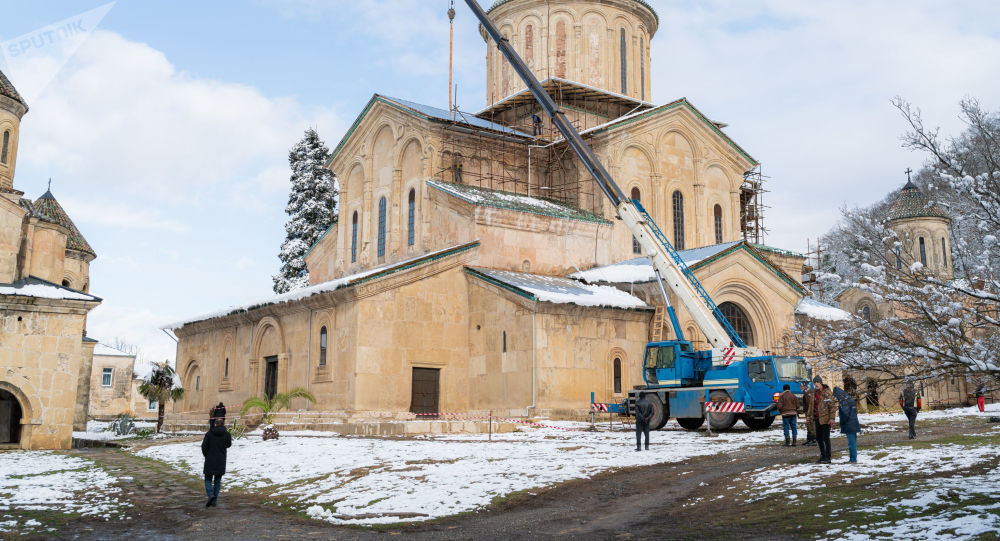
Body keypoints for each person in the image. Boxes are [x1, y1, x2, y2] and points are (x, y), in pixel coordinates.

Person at [201, 419, 232, 507]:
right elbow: (229, 445)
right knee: (218, 481)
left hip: (210, 459)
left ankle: (210, 494)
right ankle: (214, 501)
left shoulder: (209, 434)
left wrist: (206, 455)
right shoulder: (227, 434)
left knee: (208, 479)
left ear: (215, 424)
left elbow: (204, 446)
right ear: (223, 425)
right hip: (221, 460)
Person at [812, 376, 837, 464]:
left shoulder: (827, 392)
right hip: (817, 418)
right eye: (814, 383)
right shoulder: (814, 393)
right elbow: (812, 406)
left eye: (817, 382)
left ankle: (828, 456)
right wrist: (808, 416)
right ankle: (823, 455)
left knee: (826, 438)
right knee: (818, 438)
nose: (815, 384)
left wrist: (832, 418)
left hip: (826, 418)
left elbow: (832, 406)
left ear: (820, 382)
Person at [833, 387, 860, 463]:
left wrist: (842, 422)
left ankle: (853, 459)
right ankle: (853, 458)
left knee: (851, 443)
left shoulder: (844, 401)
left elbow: (845, 413)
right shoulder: (849, 399)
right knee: (853, 442)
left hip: (849, 424)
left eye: (836, 396)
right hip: (854, 423)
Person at [800, 382, 816, 446]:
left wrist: (809, 412)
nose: (800, 387)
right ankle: (809, 439)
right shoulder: (806, 392)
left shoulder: (809, 393)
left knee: (811, 425)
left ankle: (813, 440)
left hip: (810, 412)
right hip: (807, 411)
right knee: (808, 425)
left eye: (801, 386)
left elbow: (810, 403)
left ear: (805, 386)